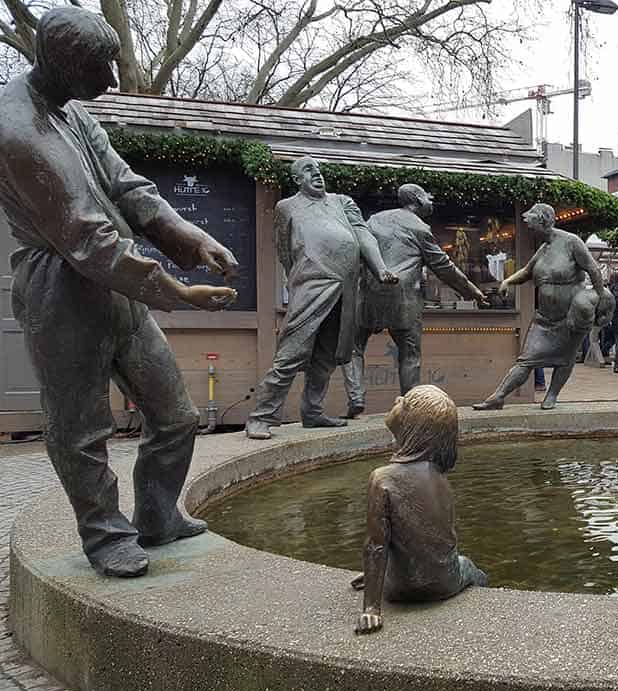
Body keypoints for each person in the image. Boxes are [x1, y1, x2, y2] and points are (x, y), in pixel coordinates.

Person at [0, 6, 241, 577]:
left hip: (120, 287)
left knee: (176, 415)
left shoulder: (73, 111)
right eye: (99, 68)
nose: (111, 81)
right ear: (60, 64)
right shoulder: (17, 130)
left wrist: (191, 238)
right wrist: (179, 293)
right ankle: (105, 534)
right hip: (62, 287)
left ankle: (157, 516)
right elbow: (88, 239)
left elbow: (128, 187)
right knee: (81, 426)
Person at [245, 158, 397, 440]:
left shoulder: (342, 202)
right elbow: (284, 249)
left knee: (328, 356)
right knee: (291, 352)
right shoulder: (286, 207)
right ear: (297, 179)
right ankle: (261, 416)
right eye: (308, 170)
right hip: (311, 283)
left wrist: (380, 268)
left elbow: (363, 236)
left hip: (346, 288)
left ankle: (312, 412)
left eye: (318, 170)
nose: (316, 174)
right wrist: (301, 278)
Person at [351, 386, 488, 635]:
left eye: (404, 404)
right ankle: (488, 598)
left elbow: (376, 545)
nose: (397, 400)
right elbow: (434, 545)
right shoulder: (440, 479)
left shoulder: (381, 479)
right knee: (470, 567)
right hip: (443, 584)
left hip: (398, 590)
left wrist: (371, 608)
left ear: (412, 425)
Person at [342, 184, 485, 418]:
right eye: (428, 196)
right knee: (409, 355)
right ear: (418, 199)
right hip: (403, 298)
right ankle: (411, 408)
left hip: (368, 294)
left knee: (354, 348)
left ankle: (356, 397)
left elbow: (356, 251)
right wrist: (470, 291)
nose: (431, 200)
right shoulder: (420, 228)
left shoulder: (375, 220)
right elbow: (443, 266)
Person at [473, 203, 614, 410]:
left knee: (564, 359)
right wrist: (508, 281)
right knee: (526, 360)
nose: (528, 229)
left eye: (531, 224)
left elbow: (593, 270)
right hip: (545, 318)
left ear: (543, 221)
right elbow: (527, 271)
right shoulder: (544, 247)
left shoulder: (571, 242)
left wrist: (601, 300)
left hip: (571, 315)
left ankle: (552, 395)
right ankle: (498, 397)